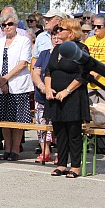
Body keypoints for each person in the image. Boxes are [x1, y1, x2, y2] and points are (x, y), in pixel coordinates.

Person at [44, 18, 90, 178]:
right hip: (55, 97)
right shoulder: (57, 49)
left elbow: (83, 75)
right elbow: (48, 70)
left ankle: (75, 166)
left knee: (73, 132)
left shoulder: (81, 49)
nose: (57, 32)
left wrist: (67, 91)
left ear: (71, 32)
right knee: (60, 132)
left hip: (73, 96)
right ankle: (61, 164)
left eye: (60, 29)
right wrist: (48, 88)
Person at [0, 11, 33, 161]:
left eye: (10, 24)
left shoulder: (23, 40)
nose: (7, 27)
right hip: (1, 84)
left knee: (16, 119)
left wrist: (6, 79)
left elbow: (23, 63)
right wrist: (1, 81)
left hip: (17, 84)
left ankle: (15, 149)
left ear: (16, 25)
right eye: (4, 25)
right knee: (4, 119)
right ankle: (7, 148)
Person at [31, 27, 61, 164]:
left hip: (58, 97)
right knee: (41, 125)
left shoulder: (66, 55)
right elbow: (36, 72)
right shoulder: (44, 54)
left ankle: (61, 154)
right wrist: (42, 86)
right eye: (53, 36)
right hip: (41, 96)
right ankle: (45, 152)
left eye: (58, 36)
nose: (56, 39)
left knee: (58, 127)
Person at [84, 14, 105, 110]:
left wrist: (96, 72)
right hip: (90, 83)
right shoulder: (89, 40)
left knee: (103, 114)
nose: (95, 29)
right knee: (91, 113)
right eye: (94, 26)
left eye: (99, 26)